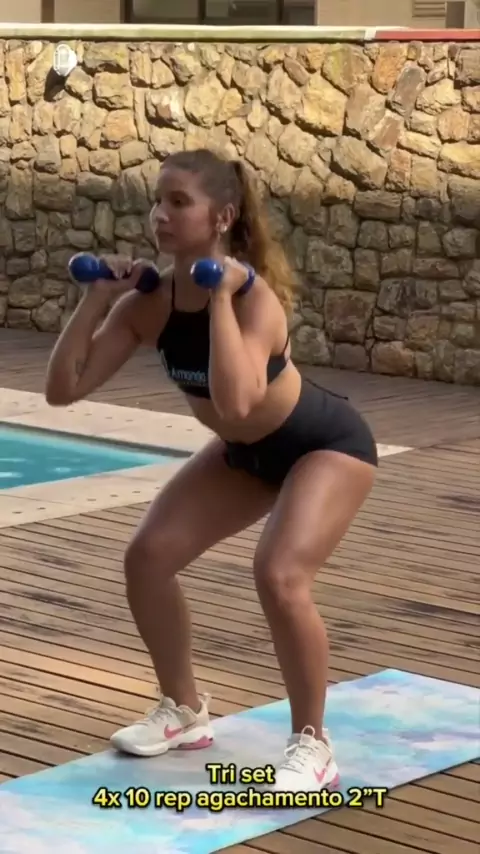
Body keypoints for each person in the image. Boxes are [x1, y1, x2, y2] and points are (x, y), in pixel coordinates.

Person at [45, 147, 378, 793]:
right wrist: (96, 300)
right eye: (157, 201)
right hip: (244, 455)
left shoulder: (255, 301)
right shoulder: (148, 305)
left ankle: (314, 746)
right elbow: (65, 390)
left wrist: (222, 296)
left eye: (179, 202)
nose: (160, 215)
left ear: (222, 216)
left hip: (323, 446)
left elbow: (237, 402)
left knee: (279, 575)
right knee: (147, 557)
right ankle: (184, 710)